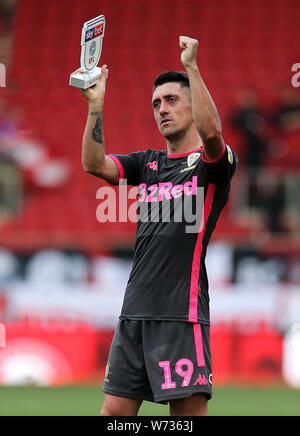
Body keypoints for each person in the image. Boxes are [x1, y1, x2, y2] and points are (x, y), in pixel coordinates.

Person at [73, 36, 238, 416]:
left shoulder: (211, 167)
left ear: (193, 105)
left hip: (180, 313)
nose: (162, 109)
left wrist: (192, 67)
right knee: (114, 414)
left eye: (172, 100)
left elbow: (212, 135)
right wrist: (95, 107)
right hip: (134, 311)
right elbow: (94, 164)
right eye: (156, 104)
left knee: (186, 418)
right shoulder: (146, 163)